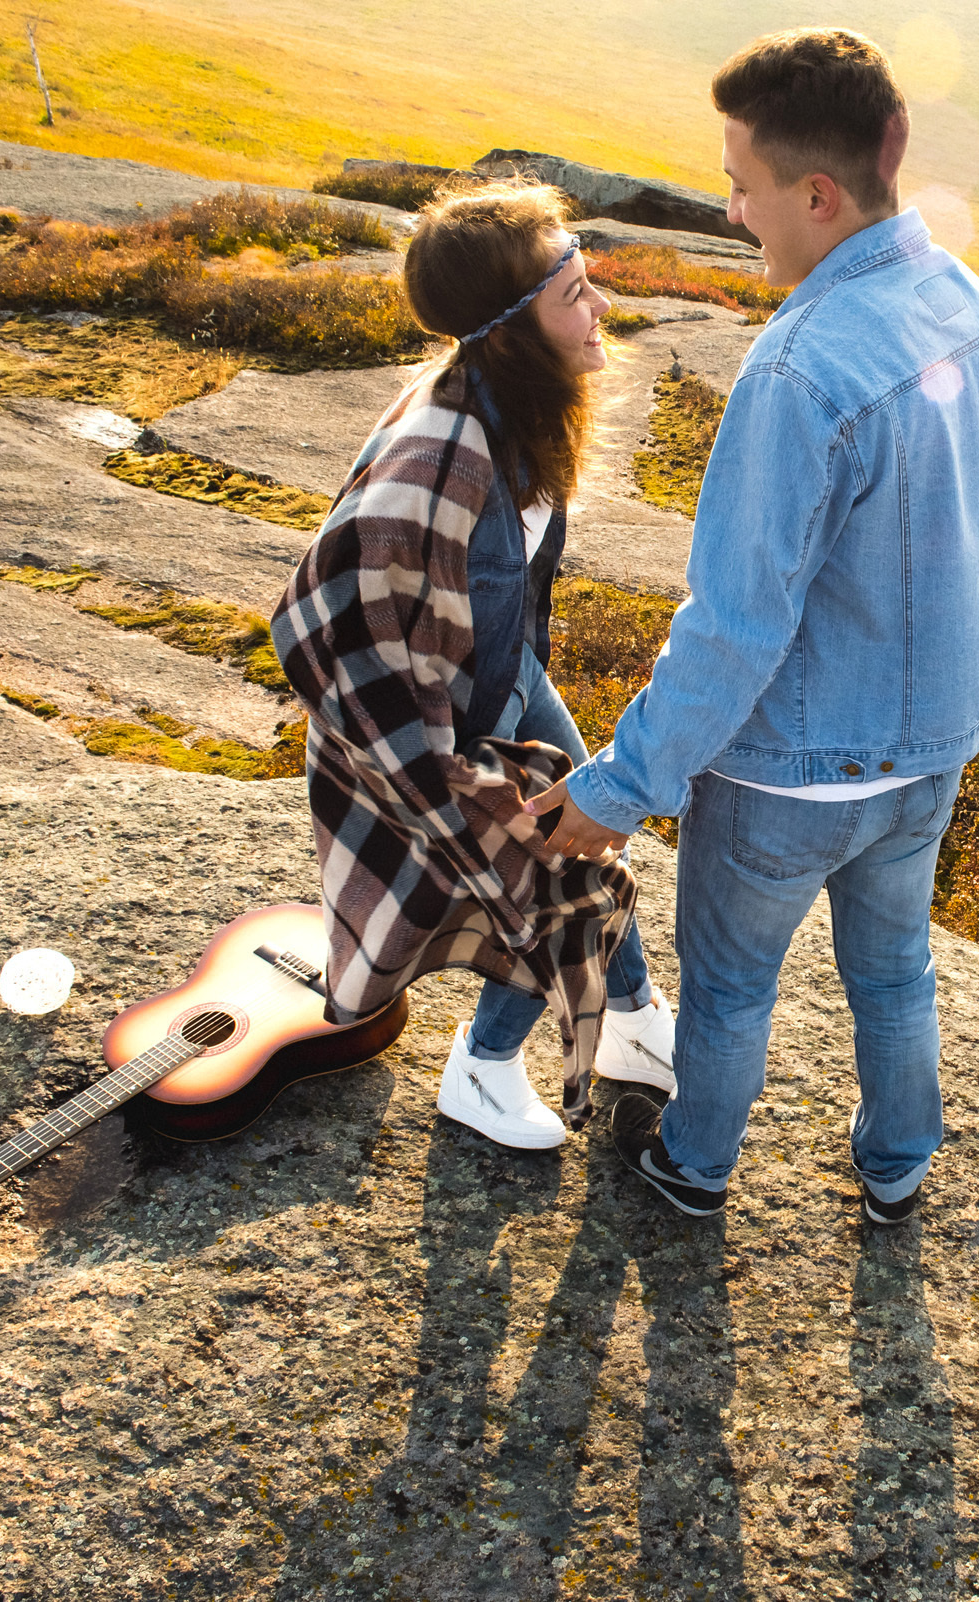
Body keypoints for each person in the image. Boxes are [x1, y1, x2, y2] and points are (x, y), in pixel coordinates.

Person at [547, 29, 979, 1224]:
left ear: (818, 195)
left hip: (785, 780)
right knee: (895, 970)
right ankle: (898, 1164)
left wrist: (620, 787)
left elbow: (733, 630)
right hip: (928, 758)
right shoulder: (970, 305)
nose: (730, 211)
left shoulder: (795, 373)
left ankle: (694, 1165)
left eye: (741, 185)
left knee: (728, 991)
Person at [268, 183, 679, 1151]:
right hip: (450, 719)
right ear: (511, 328)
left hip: (507, 675)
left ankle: (632, 1019)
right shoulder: (444, 454)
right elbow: (323, 611)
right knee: (554, 872)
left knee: (596, 833)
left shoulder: (513, 405)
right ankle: (483, 1070)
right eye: (574, 293)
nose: (601, 307)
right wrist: (437, 772)